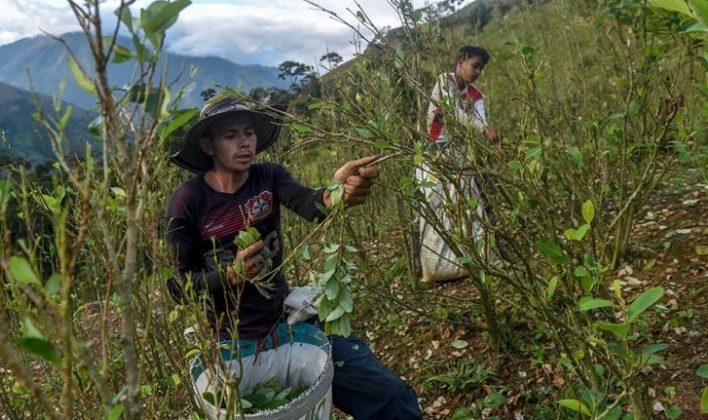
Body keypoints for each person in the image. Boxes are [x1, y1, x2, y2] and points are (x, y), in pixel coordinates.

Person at [166, 96, 422, 419]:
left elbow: (308, 202)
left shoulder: (268, 177)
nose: (244, 143)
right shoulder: (188, 201)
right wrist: (230, 276)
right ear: (208, 145)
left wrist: (335, 194)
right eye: (230, 136)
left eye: (248, 133)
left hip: (287, 322)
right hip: (230, 346)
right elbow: (179, 286)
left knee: (389, 394)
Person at [416, 45, 502, 281]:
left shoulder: (476, 95)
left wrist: (493, 140)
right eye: (475, 66)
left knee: (469, 205)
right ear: (461, 62)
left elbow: (482, 119)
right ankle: (434, 269)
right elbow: (453, 113)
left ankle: (479, 259)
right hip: (435, 154)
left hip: (459, 155)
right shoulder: (445, 81)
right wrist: (483, 129)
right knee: (435, 207)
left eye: (481, 68)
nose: (478, 72)